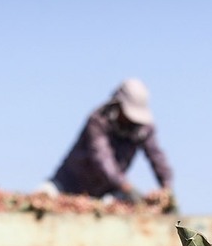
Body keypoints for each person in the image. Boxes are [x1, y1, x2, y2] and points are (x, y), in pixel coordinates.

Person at [43, 78, 174, 205]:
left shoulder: (143, 128)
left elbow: (155, 155)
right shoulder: (98, 121)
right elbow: (102, 158)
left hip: (106, 192)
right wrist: (126, 186)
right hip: (68, 184)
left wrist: (166, 187)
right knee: (43, 195)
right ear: (118, 105)